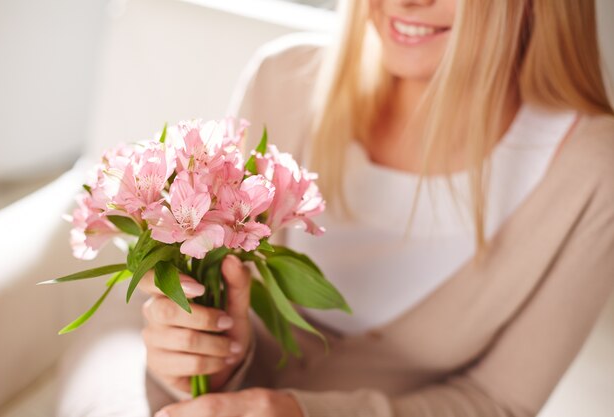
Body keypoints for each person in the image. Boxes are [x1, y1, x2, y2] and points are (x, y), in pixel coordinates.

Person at [61, 0, 614, 416]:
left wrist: (301, 412)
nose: (405, 3)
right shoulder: (282, 77)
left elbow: (499, 402)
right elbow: (214, 329)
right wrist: (201, 358)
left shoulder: (591, 168)